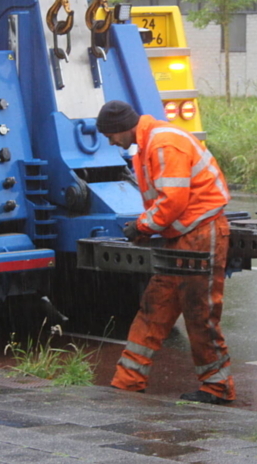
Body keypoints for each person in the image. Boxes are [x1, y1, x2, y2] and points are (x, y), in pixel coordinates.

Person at [97, 100, 235, 405]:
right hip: (185, 234)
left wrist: (143, 227)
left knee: (199, 313)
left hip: (201, 233)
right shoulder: (152, 142)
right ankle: (127, 382)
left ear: (123, 128)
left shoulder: (162, 143)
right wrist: (150, 228)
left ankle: (217, 387)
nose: (111, 141)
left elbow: (172, 200)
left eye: (111, 135)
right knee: (154, 307)